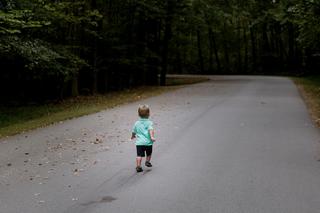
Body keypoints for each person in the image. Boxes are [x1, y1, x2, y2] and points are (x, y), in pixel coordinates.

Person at [131, 105, 156, 172]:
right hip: (148, 143)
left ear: (138, 114)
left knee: (139, 155)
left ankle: (138, 166)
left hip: (139, 143)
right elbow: (151, 130)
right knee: (149, 153)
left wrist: (133, 136)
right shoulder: (149, 122)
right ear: (148, 114)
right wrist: (152, 137)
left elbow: (133, 131)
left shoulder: (136, 123)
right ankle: (147, 161)